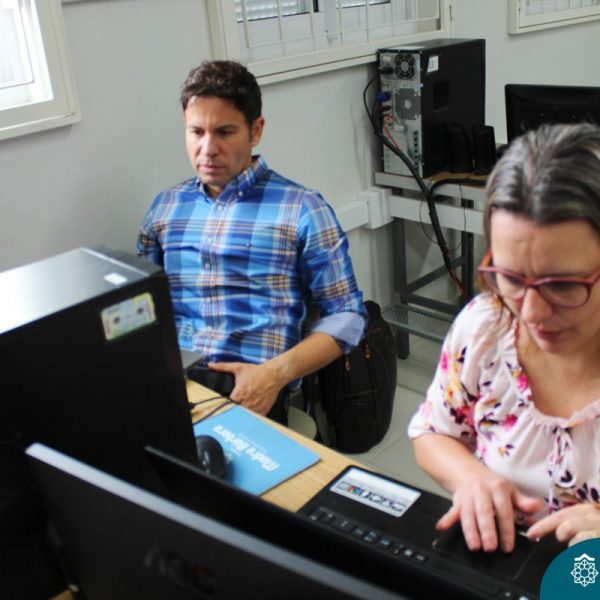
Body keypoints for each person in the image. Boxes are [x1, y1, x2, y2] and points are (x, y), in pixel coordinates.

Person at [137, 60, 366, 424]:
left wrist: (274, 375)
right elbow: (145, 305)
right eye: (196, 132)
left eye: (224, 132)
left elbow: (348, 315)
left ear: (255, 130)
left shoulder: (301, 209)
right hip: (174, 380)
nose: (207, 148)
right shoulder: (166, 208)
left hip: (252, 385)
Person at [408, 122, 600, 554]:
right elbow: (432, 432)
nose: (530, 314)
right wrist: (472, 478)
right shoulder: (486, 326)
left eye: (562, 285)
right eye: (510, 278)